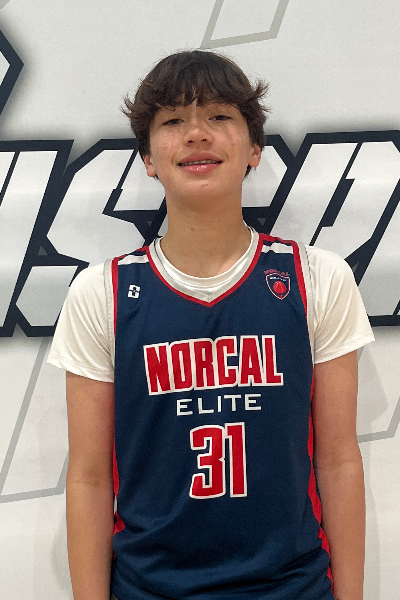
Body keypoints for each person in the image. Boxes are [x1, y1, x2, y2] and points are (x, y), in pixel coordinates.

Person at [48, 50, 374, 600]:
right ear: (148, 158)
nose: (196, 133)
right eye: (173, 120)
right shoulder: (100, 293)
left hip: (291, 587)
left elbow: (339, 459)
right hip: (150, 588)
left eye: (219, 116)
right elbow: (88, 477)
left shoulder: (316, 277)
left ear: (254, 148)